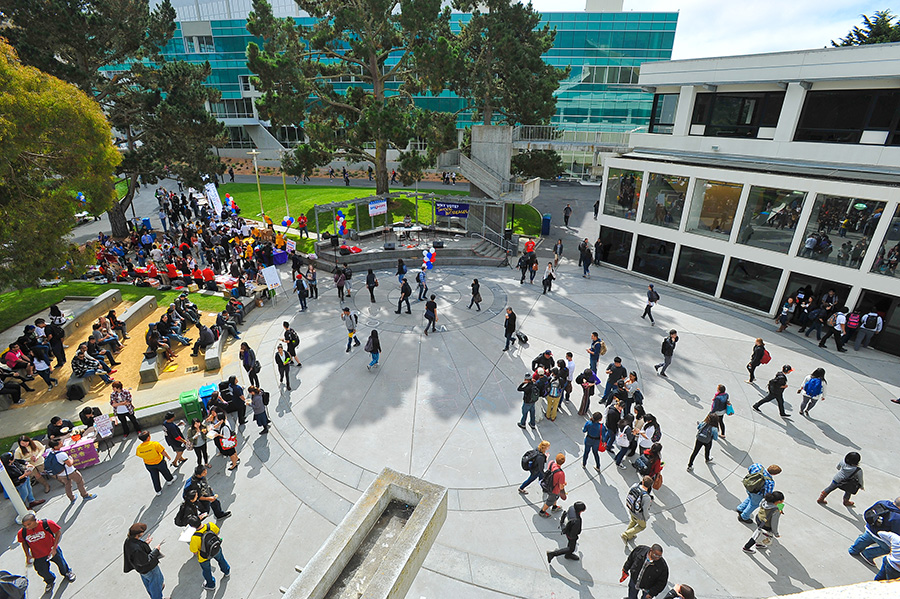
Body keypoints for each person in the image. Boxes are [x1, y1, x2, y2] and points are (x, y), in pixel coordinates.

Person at [18, 512, 76, 595]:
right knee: (41, 570)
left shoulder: (47, 524)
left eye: (29, 524)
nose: (27, 527)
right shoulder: (22, 532)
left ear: (35, 520)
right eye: (25, 525)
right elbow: (23, 543)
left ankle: (67, 572)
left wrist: (54, 547)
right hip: (38, 555)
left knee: (61, 563)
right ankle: (50, 580)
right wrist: (27, 555)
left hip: (52, 551)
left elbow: (58, 533)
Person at [849, 497, 900, 566]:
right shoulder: (897, 517)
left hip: (870, 527)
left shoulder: (883, 502)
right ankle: (868, 554)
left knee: (864, 539)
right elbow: (896, 533)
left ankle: (854, 550)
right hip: (880, 536)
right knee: (886, 549)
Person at [46, 438, 97, 502]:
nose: (62, 443)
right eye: (60, 443)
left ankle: (72, 498)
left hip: (60, 474)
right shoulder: (61, 455)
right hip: (70, 472)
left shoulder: (50, 453)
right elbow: (69, 464)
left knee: (67, 485)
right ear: (56, 447)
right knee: (80, 481)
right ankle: (85, 495)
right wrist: (71, 459)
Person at [123, 522, 166, 599]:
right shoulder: (137, 549)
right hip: (150, 569)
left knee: (149, 583)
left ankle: (155, 592)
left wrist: (145, 543)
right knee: (157, 583)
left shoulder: (128, 541)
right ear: (138, 534)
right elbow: (146, 560)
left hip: (141, 570)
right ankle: (156, 595)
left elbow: (138, 555)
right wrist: (156, 550)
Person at [190, 520, 231, 591]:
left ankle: (211, 585)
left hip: (204, 557)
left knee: (206, 570)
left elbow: (195, 552)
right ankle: (226, 571)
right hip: (216, 549)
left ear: (192, 526)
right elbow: (217, 532)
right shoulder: (210, 525)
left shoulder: (194, 538)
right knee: (221, 560)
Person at [135, 431, 175, 496]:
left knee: (154, 477)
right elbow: (162, 452)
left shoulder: (139, 448)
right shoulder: (154, 444)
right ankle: (169, 480)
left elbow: (139, 455)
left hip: (148, 464)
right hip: (159, 462)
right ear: (148, 437)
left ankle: (158, 490)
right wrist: (168, 457)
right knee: (165, 471)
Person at [539, 453, 567, 518]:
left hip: (547, 484)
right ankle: (542, 512)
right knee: (550, 501)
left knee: (555, 497)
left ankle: (554, 507)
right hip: (554, 490)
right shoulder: (561, 473)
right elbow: (561, 487)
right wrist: (564, 484)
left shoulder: (551, 463)